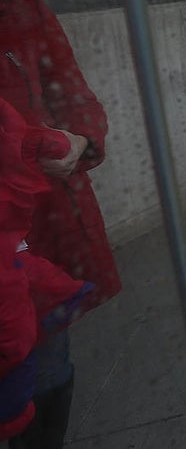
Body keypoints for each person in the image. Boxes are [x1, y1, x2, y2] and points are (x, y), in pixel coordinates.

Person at [0, 0, 120, 449]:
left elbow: (74, 97)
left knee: (45, 364)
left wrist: (78, 140)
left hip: (35, 235)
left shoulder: (21, 11)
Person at [0, 99, 94, 442]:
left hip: (35, 251)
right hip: (21, 270)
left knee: (50, 374)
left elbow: (74, 102)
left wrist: (76, 140)